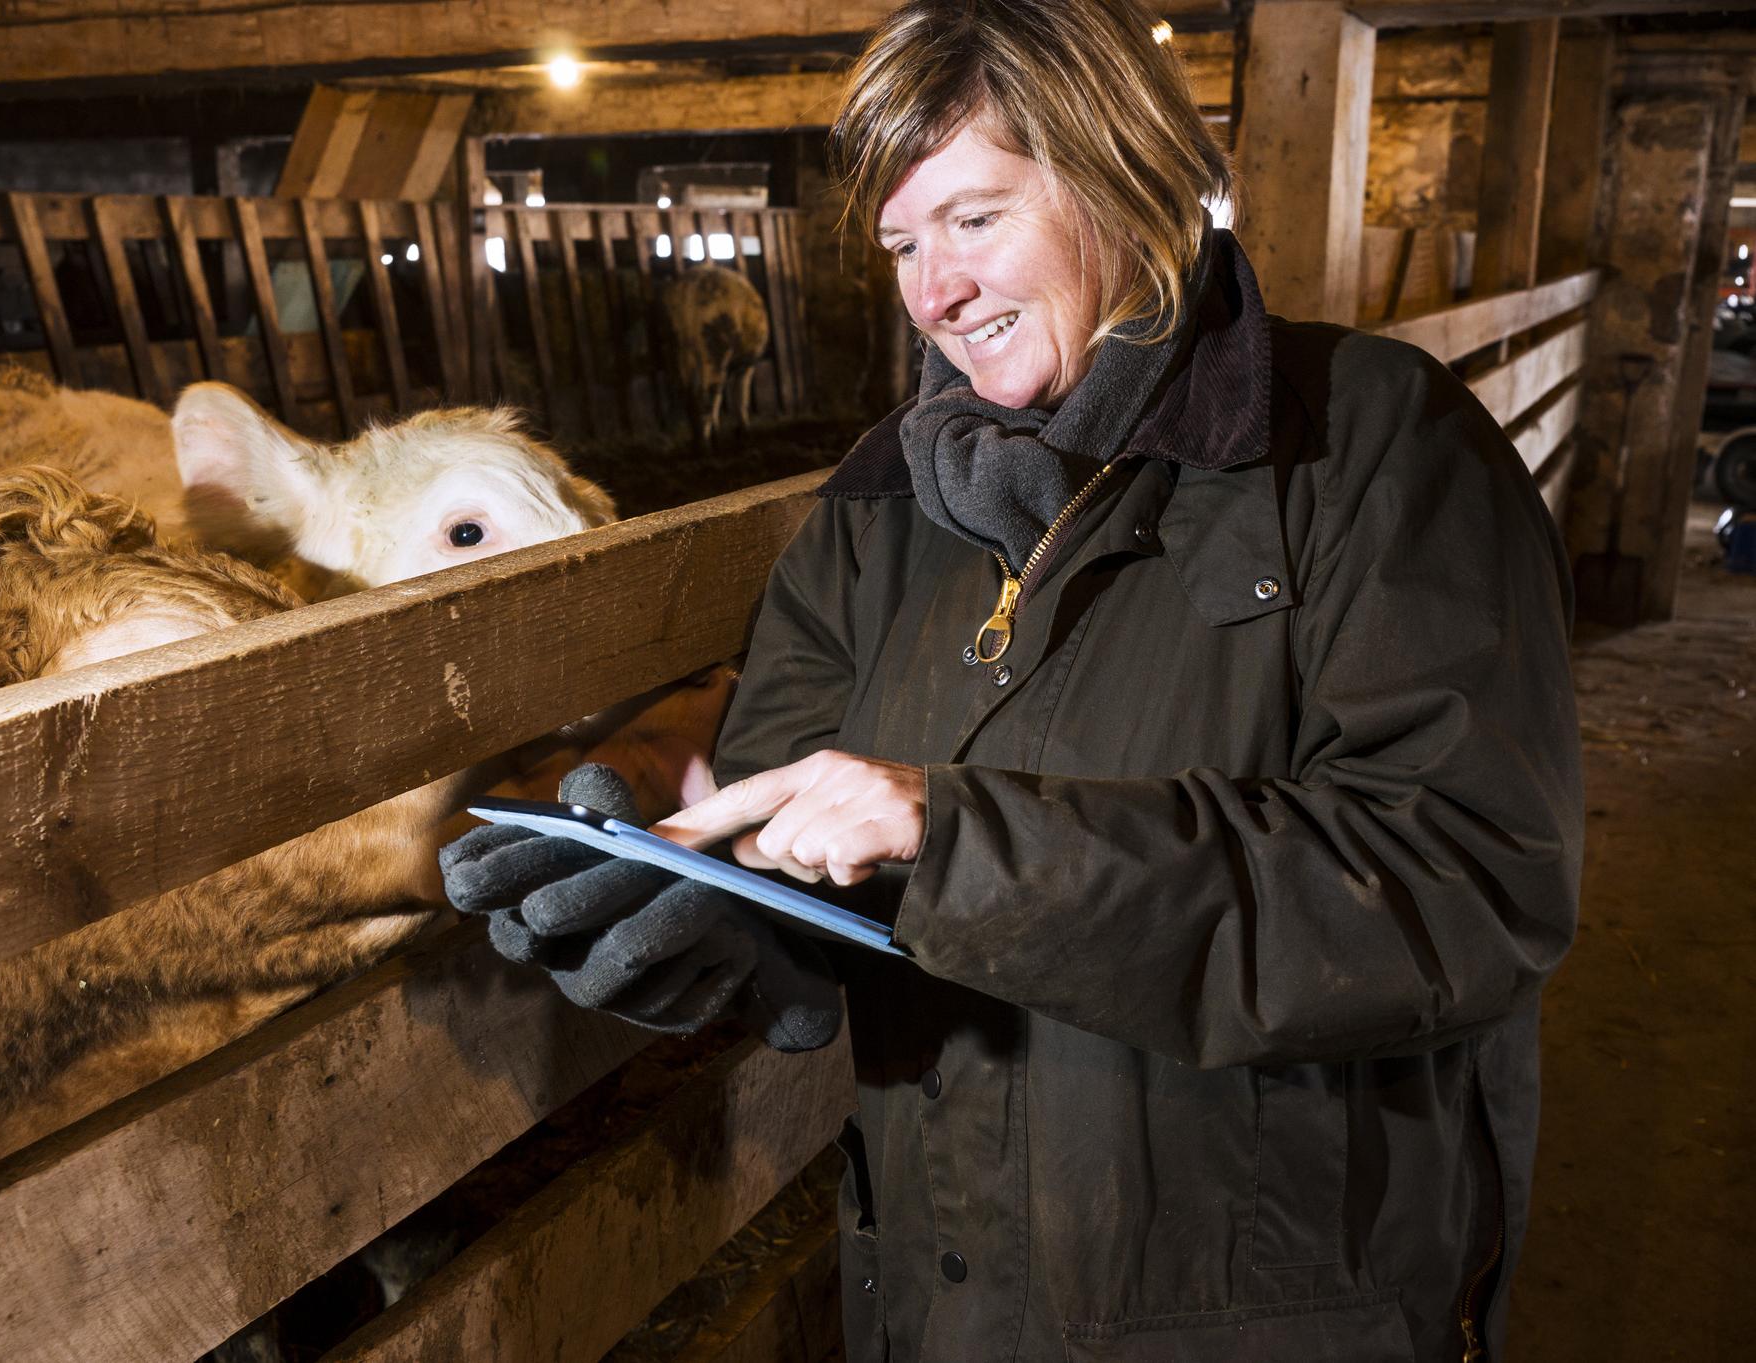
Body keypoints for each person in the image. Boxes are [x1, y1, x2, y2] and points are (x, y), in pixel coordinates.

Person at [441, 2, 1583, 1359]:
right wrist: (688, 906)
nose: (933, 292)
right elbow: (797, 844)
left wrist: (955, 833)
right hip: (946, 1293)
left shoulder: (1371, 449)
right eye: (902, 244)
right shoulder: (877, 506)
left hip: (1267, 1307)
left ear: (1122, 180)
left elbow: (1463, 885)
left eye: (974, 220)